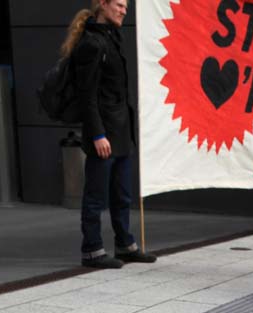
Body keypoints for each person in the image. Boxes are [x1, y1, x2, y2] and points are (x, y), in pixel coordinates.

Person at [65, 0, 156, 269]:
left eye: (125, 6)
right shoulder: (91, 44)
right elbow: (87, 96)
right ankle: (92, 250)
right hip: (104, 135)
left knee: (122, 194)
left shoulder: (113, 37)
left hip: (120, 132)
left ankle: (125, 245)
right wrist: (97, 135)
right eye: (118, 5)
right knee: (96, 195)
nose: (124, 10)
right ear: (102, 5)